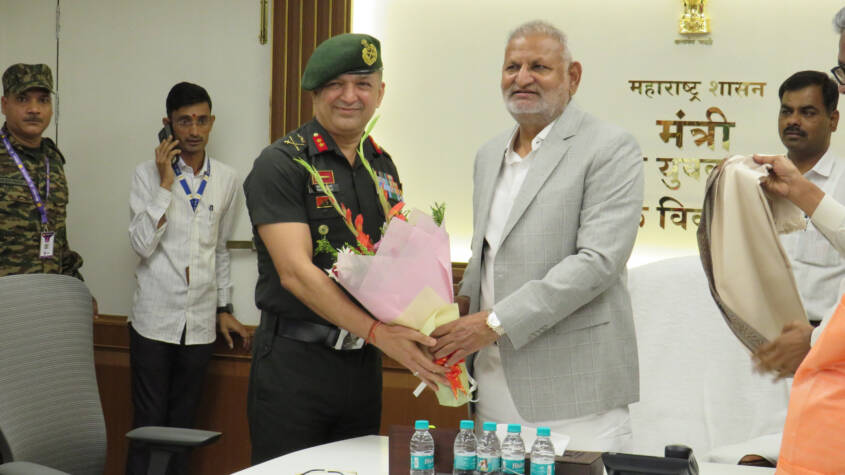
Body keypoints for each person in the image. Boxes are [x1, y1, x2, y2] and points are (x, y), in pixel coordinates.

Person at [432, 20, 644, 452]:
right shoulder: (489, 154)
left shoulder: (610, 147)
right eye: (512, 67)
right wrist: (446, 320)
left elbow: (597, 263)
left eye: (539, 67)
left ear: (573, 77)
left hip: (575, 395)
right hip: (490, 389)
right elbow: (484, 258)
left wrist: (492, 323)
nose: (522, 78)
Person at [243, 33, 447, 463]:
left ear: (380, 93)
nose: (350, 96)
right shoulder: (282, 163)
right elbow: (295, 274)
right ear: (316, 93)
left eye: (363, 84)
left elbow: (394, 264)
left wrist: (429, 330)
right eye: (336, 84)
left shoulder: (381, 165)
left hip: (362, 366)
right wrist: (380, 334)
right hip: (295, 366)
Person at [126, 82, 250, 475]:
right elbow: (142, 245)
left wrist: (224, 307)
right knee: (148, 427)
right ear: (168, 124)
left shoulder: (227, 179)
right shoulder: (145, 175)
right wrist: (165, 184)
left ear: (211, 122)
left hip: (198, 324)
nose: (194, 131)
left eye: (202, 120)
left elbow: (220, 249)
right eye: (184, 121)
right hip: (153, 320)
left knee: (184, 429)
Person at [752, 71, 843, 378]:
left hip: (824, 348)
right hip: (760, 344)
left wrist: (819, 340)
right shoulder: (758, 180)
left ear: (833, 120)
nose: (793, 121)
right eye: (786, 111)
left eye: (807, 112)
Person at [0, 63, 85, 279]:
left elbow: (59, 239)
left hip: (47, 292)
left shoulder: (53, 160)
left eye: (43, 100)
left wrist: (78, 287)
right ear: (4, 105)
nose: (34, 109)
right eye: (23, 99)